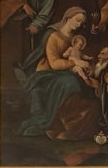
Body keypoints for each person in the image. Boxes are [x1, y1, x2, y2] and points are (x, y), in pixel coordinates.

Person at [16, 7, 102, 141]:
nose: (79, 24)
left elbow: (82, 57)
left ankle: (74, 123)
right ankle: (60, 122)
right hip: (48, 74)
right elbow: (54, 63)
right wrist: (76, 64)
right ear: (68, 17)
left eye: (82, 22)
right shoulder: (53, 36)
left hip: (66, 72)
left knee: (82, 82)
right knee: (70, 81)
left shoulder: (76, 40)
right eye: (77, 20)